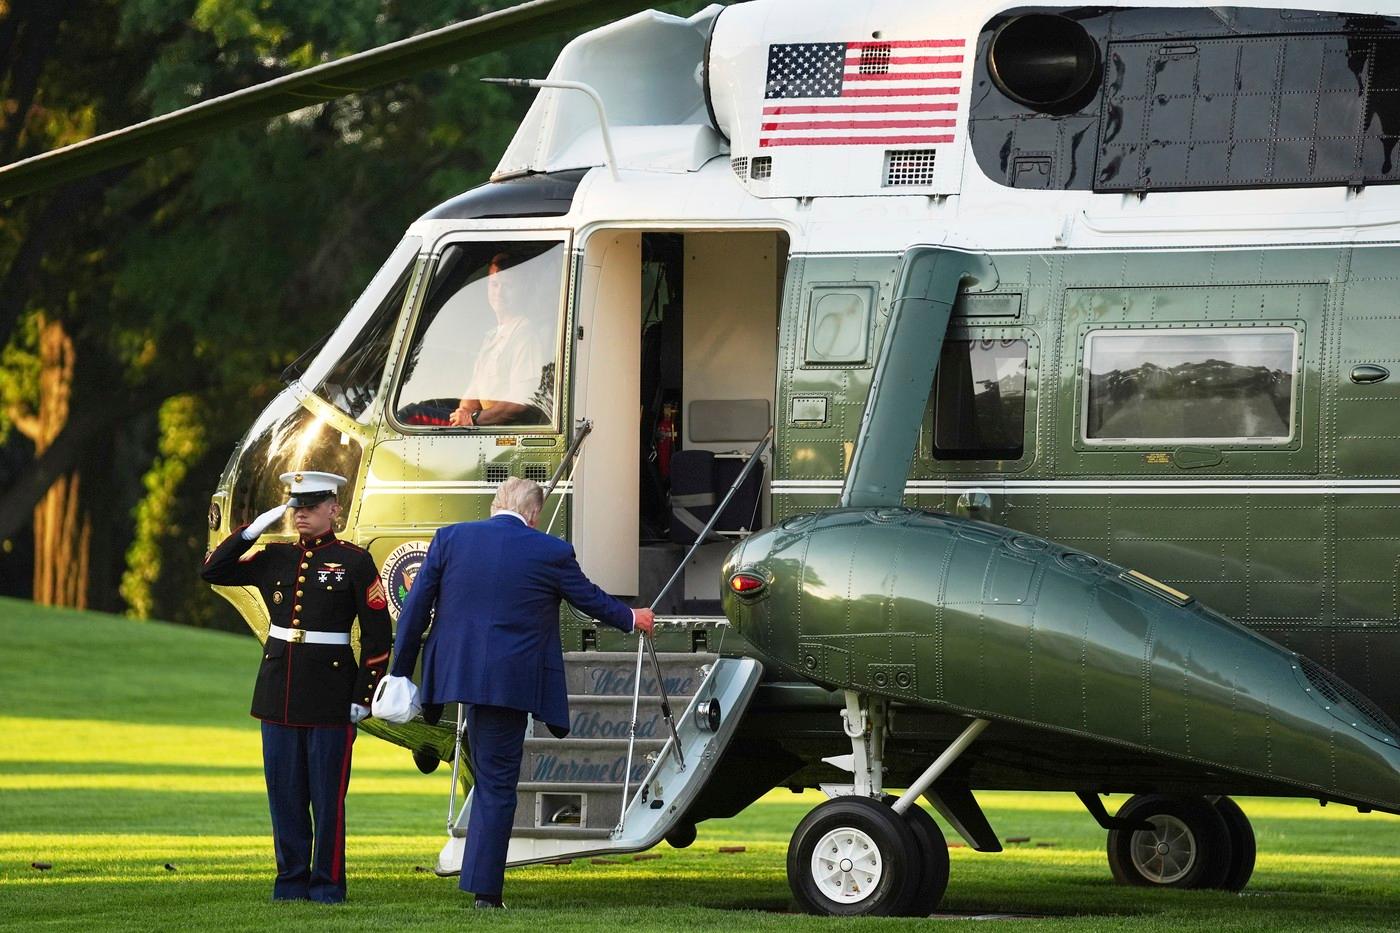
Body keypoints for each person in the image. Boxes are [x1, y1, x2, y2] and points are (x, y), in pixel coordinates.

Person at [386, 477, 655, 908]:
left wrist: (401, 673)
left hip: (455, 676)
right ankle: (485, 893)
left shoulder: (451, 538)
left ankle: (479, 879)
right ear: (534, 515)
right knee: (496, 784)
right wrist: (631, 616)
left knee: (486, 772)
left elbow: (416, 607)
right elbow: (587, 599)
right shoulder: (549, 550)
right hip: (508, 683)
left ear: (496, 504)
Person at [200, 470, 392, 904]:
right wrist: (252, 530)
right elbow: (212, 570)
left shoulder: (354, 561)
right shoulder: (275, 556)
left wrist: (364, 696)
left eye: (310, 505)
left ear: (333, 509)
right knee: (284, 797)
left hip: (331, 694)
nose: (301, 513)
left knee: (327, 801)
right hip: (278, 692)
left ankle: (326, 886)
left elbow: (378, 636)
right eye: (295, 506)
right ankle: (289, 883)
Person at [446, 251, 552, 427]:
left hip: (498, 431)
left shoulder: (524, 334)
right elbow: (473, 391)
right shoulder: (493, 336)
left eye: (508, 286)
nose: (499, 292)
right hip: (479, 423)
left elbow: (520, 401)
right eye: (494, 284)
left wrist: (474, 419)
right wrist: (464, 413)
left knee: (412, 413)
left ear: (522, 290)